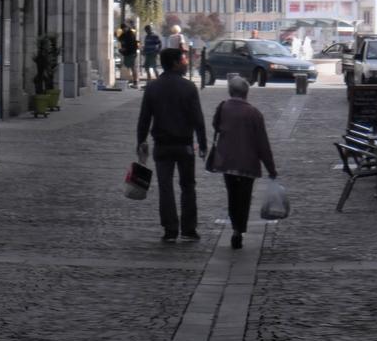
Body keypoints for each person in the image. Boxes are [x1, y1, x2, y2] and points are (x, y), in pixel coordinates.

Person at [137, 48, 207, 242]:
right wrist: (202, 143)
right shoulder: (189, 87)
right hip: (184, 144)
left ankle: (170, 228)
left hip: (162, 144)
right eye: (183, 60)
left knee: (165, 187)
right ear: (175, 63)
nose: (185, 63)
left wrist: (141, 141)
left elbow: (144, 118)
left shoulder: (153, 87)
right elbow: (197, 118)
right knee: (188, 186)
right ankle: (189, 228)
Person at [211, 76, 277, 250]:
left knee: (232, 196)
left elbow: (215, 126)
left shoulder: (223, 107)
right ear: (246, 92)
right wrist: (271, 168)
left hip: (227, 161)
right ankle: (240, 230)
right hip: (248, 163)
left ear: (230, 91)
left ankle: (235, 229)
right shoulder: (254, 113)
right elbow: (262, 143)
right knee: (245, 197)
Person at [118, 22, 139, 88]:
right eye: (122, 29)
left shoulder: (131, 34)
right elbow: (120, 39)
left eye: (124, 28)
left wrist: (125, 49)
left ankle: (135, 82)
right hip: (127, 53)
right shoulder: (124, 34)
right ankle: (131, 81)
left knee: (132, 67)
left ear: (126, 27)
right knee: (128, 67)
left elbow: (132, 44)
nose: (124, 30)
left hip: (131, 53)